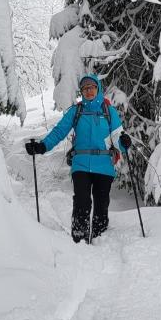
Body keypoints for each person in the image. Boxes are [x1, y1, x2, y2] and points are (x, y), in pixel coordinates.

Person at [25, 74, 132, 243]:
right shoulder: (77, 111)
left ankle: (100, 237)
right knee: (82, 201)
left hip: (104, 164)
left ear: (98, 88)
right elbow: (59, 131)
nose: (89, 91)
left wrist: (124, 143)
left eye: (92, 87)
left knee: (101, 202)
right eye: (85, 88)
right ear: (81, 91)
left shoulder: (108, 111)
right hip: (81, 164)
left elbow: (117, 136)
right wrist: (43, 146)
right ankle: (79, 239)